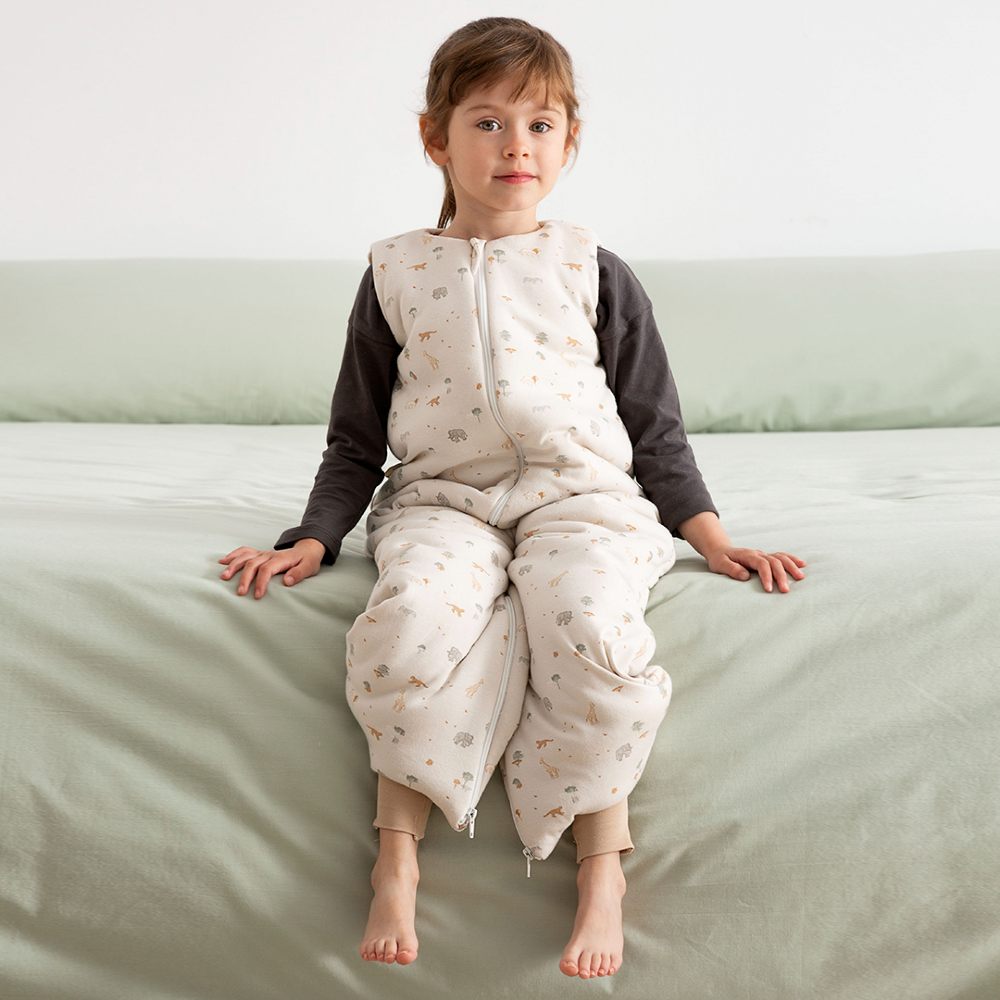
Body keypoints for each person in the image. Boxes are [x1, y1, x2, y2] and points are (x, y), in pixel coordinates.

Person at [218, 15, 807, 981]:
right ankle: (397, 859)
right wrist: (314, 540)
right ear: (434, 138)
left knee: (586, 624)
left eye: (539, 126)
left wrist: (713, 537)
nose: (515, 147)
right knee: (408, 621)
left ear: (569, 143)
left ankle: (601, 870)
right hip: (443, 501)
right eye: (487, 123)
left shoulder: (594, 270)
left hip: (582, 498)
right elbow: (356, 439)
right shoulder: (396, 275)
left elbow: (654, 430)